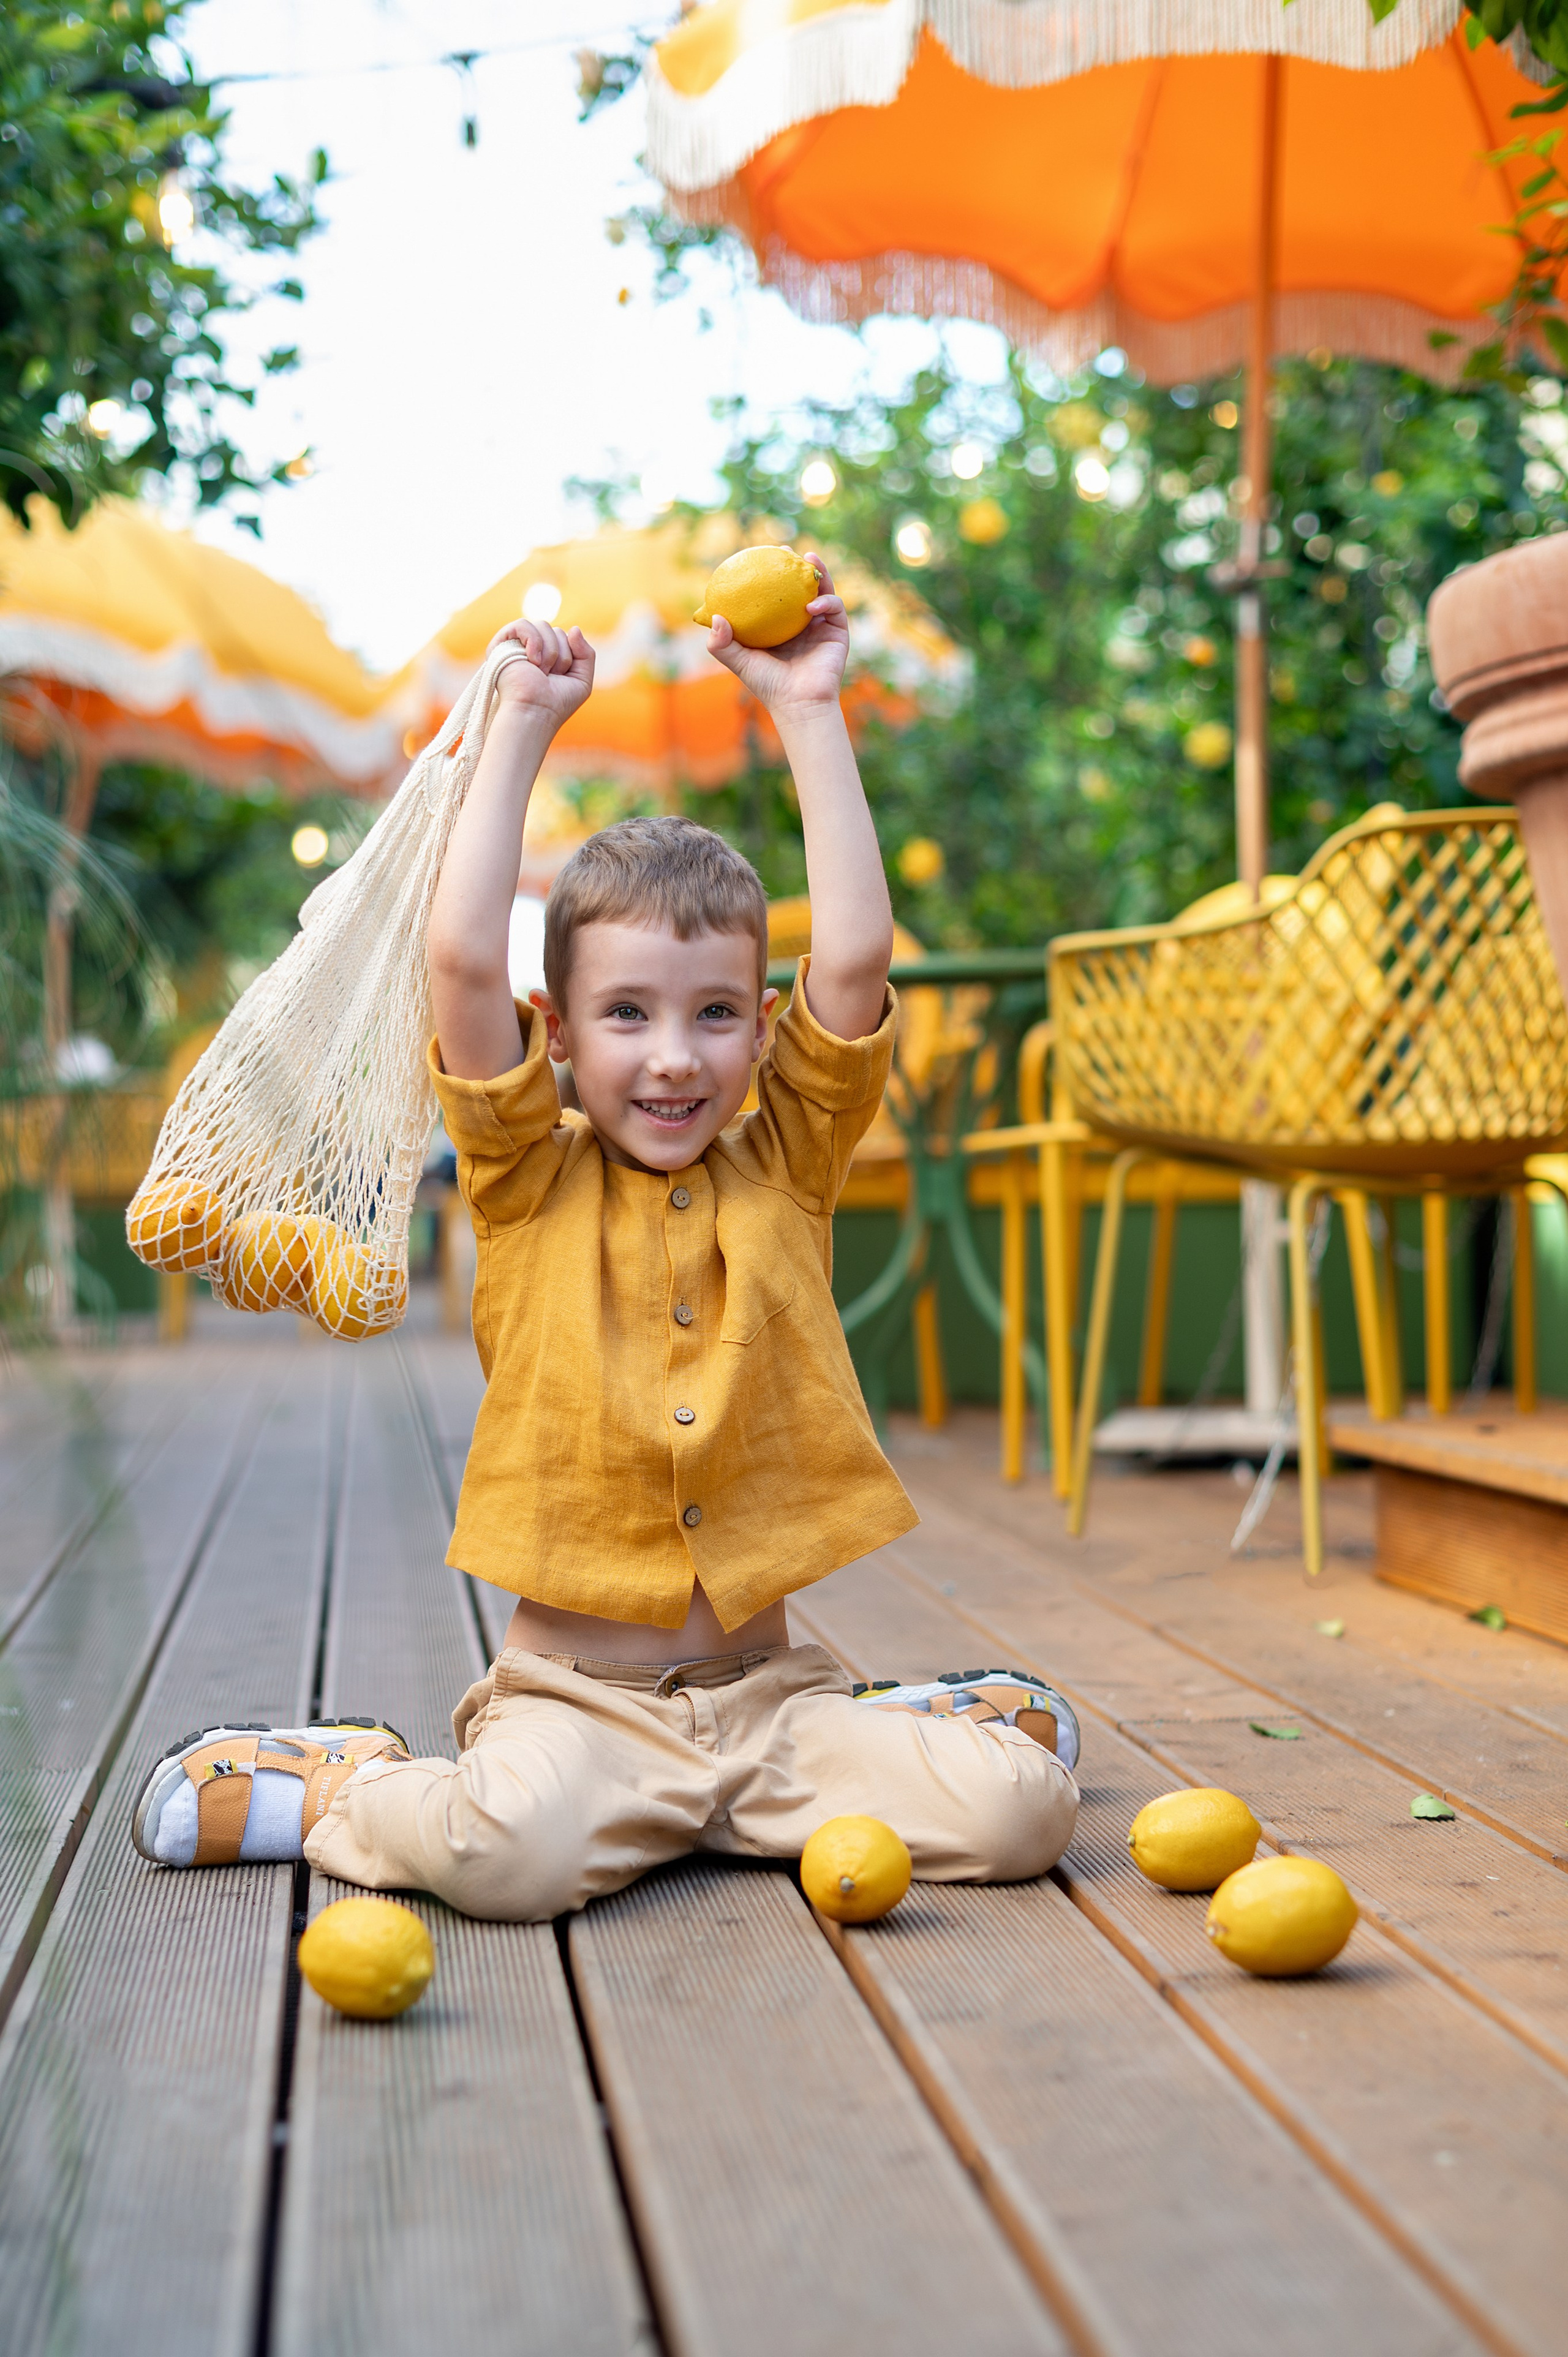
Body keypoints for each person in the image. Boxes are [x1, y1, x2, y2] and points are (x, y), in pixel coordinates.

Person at [131, 558, 1080, 1914]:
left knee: (1025, 1815)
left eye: (711, 1014)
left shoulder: (789, 1159)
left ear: (761, 1027)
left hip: (773, 1706)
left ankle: (916, 1725)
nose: (673, 1058)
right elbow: (458, 965)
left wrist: (807, 706)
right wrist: (520, 722)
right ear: (559, 1035)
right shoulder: (524, 1177)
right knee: (501, 1860)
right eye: (627, 1015)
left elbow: (855, 963)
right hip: (575, 1706)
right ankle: (343, 1778)